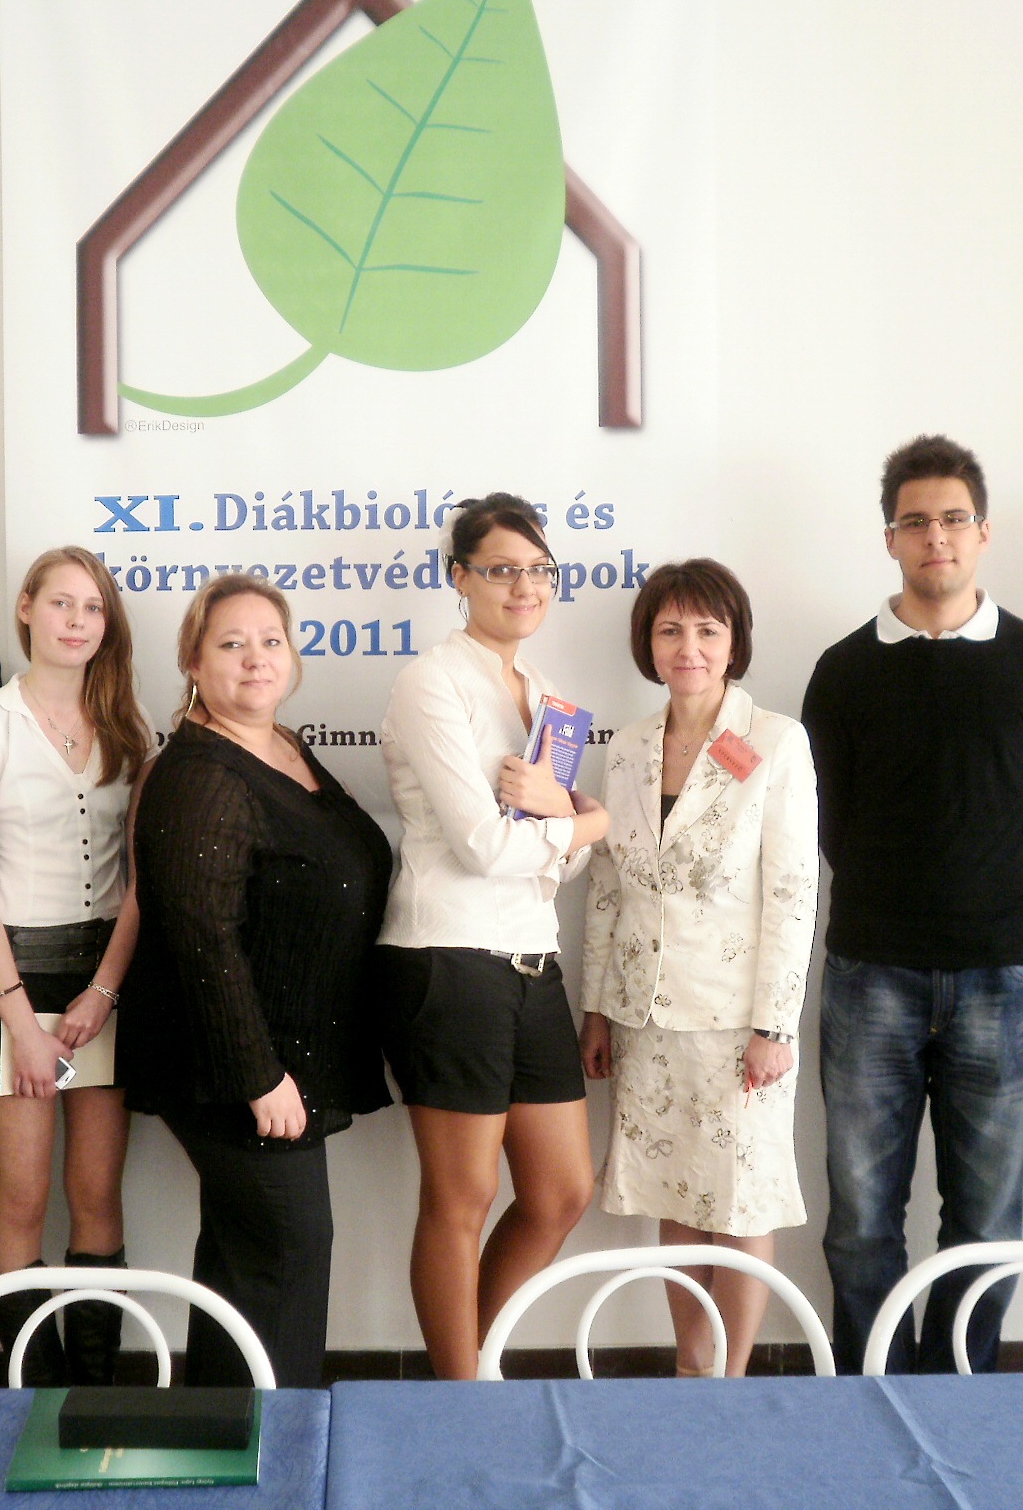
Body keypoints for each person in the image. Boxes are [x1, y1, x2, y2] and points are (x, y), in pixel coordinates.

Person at [800, 435, 1023, 1374]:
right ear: (889, 538)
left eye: (954, 518)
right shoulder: (844, 670)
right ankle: (873, 1393)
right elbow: (830, 819)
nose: (936, 537)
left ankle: (961, 1401)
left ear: (983, 532)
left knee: (987, 1222)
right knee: (861, 1220)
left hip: (1001, 978)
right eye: (915, 521)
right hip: (869, 974)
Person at [117, 574, 391, 1387]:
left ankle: (223, 1433)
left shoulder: (283, 747)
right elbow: (200, 937)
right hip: (238, 1070)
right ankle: (280, 1437)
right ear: (193, 662)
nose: (256, 658)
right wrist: (258, 1076)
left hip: (290, 1053)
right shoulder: (201, 774)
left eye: (271, 641)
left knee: (249, 1261)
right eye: (232, 644)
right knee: (287, 1253)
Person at [377, 493, 608, 1380]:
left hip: (531, 957)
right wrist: (586, 823)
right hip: (448, 957)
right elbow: (481, 846)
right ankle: (460, 1395)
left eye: (539, 570)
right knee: (463, 1195)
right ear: (459, 577)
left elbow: (553, 869)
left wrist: (565, 829)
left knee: (561, 1191)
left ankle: (471, 1361)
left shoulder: (547, 698)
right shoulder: (431, 681)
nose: (524, 586)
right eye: (502, 569)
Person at [579, 559, 818, 1377]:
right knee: (672, 1194)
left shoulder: (775, 741)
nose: (689, 647)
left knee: (741, 1201)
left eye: (708, 630)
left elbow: (792, 892)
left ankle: (734, 1375)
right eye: (670, 629)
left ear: (734, 641)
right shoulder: (627, 748)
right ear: (647, 643)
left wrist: (774, 1026)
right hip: (644, 1016)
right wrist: (596, 1007)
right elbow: (607, 887)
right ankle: (691, 1368)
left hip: (737, 1022)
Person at [0, 546, 151, 1386]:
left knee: (96, 1194)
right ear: (27, 607)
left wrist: (104, 991)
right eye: (61, 603)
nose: (77, 621)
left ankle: (94, 1391)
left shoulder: (130, 724)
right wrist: (18, 1022)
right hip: (14, 983)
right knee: (22, 1196)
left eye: (93, 607)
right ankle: (35, 1391)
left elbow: (139, 882)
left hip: (103, 981)